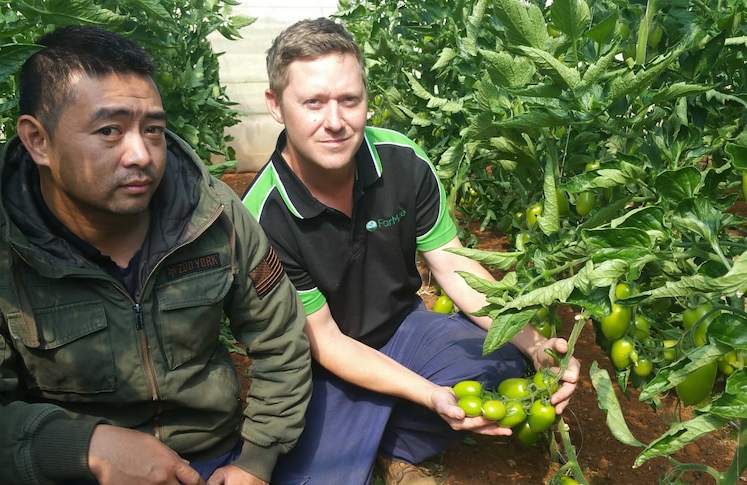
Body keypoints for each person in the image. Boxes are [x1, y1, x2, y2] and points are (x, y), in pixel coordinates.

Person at [0, 25, 312, 485]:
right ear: (38, 140)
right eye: (109, 130)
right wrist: (84, 448)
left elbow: (280, 338)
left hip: (212, 458)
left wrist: (256, 461)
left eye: (153, 129)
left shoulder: (211, 215)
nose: (140, 153)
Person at [241, 17, 581, 485]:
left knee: (503, 360)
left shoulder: (403, 161)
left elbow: (455, 266)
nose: (335, 121)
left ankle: (387, 445)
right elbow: (326, 341)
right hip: (324, 364)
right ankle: (370, 438)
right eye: (313, 103)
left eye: (349, 100)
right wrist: (428, 394)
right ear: (276, 106)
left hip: (402, 330)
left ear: (366, 98)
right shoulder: (263, 216)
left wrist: (535, 343)